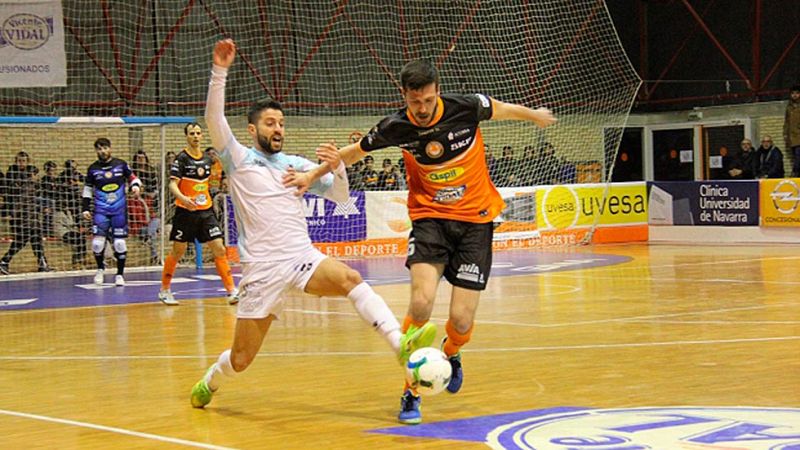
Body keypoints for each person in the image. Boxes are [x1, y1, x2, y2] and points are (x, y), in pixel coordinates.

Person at [287, 58, 556, 424]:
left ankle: (453, 352)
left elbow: (503, 108)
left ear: (437, 91)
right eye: (415, 102)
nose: (423, 109)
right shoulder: (396, 126)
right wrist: (312, 174)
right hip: (430, 220)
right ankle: (411, 391)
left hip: (476, 222)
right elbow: (353, 153)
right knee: (422, 301)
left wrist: (535, 115)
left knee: (461, 321)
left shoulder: (466, 107)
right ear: (405, 95)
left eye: (428, 100)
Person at [188, 39, 436, 409]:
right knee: (241, 360)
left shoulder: (297, 165)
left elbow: (339, 195)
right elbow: (214, 120)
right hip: (262, 269)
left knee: (351, 279)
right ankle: (211, 380)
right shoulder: (239, 159)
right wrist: (219, 71)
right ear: (252, 130)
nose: (278, 129)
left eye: (281, 123)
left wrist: (337, 166)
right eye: (270, 123)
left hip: (300, 256)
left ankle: (401, 346)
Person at [157, 123, 238, 306]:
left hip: (206, 212)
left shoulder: (209, 160)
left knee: (219, 248)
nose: (195, 136)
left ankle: (232, 290)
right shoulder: (182, 159)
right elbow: (172, 185)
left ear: (202, 136)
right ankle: (165, 289)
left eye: (198, 133)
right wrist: (184, 199)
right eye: (192, 133)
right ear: (186, 136)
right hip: (185, 212)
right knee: (178, 251)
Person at [82, 138, 141, 286]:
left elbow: (134, 178)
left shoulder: (120, 164)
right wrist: (85, 207)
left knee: (120, 243)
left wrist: (135, 186)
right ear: (96, 151)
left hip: (119, 210)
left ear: (110, 148)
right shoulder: (92, 169)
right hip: (100, 211)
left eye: (105, 148)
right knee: (97, 244)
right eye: (99, 149)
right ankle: (100, 269)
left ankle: (120, 275)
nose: (102, 151)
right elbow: (87, 189)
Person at [0, 151, 54, 274]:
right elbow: (14, 196)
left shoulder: (32, 176)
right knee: (23, 239)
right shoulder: (12, 175)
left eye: (24, 161)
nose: (22, 163)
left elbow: (34, 195)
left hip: (32, 212)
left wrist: (40, 208)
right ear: (16, 161)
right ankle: (4, 261)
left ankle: (42, 263)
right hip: (19, 213)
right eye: (19, 161)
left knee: (35, 238)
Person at [786, 85, 800, 176]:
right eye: (793, 93)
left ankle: (795, 173)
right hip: (792, 138)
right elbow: (786, 121)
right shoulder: (789, 107)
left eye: (797, 93)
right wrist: (785, 134)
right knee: (795, 157)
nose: (795, 95)